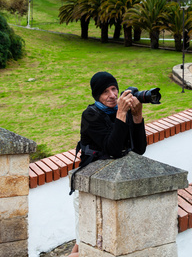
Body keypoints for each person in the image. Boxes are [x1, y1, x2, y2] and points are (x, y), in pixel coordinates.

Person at [68, 71, 147, 257]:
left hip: (113, 185)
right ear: (97, 95)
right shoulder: (90, 115)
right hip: (91, 190)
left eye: (114, 89)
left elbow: (140, 149)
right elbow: (112, 149)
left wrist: (137, 116)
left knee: (85, 244)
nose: (112, 95)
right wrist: (121, 112)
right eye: (105, 92)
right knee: (87, 245)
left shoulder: (123, 113)